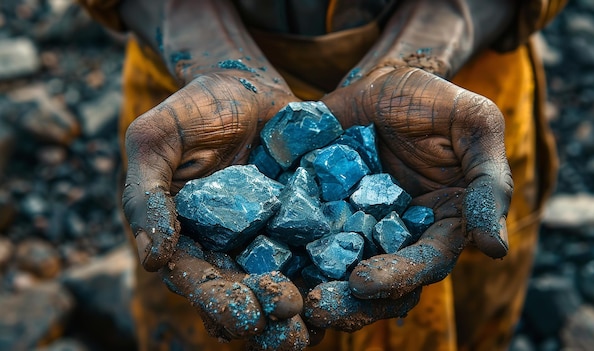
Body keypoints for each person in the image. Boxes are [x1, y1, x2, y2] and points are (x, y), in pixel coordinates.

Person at [77, 0, 565, 350]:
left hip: (442, 123)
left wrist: (420, 53)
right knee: (219, 317)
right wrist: (214, 59)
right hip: (198, 118)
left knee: (474, 301)